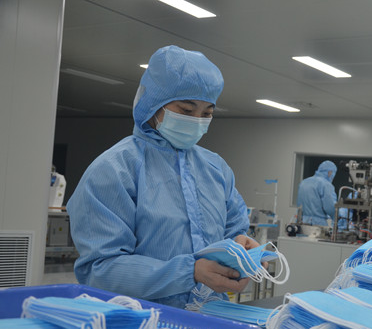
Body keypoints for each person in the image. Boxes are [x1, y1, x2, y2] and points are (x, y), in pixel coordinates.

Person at [67, 45, 260, 309]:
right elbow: (100, 270)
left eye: (207, 114)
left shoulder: (216, 169)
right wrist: (189, 272)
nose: (197, 121)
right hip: (139, 321)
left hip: (211, 318)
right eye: (186, 111)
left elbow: (234, 230)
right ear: (154, 103)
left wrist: (241, 248)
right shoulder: (114, 170)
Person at [296, 160, 337, 225]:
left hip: (301, 222)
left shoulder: (303, 182)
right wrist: (337, 218)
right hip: (317, 224)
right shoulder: (326, 184)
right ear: (330, 172)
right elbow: (330, 207)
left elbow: (299, 204)